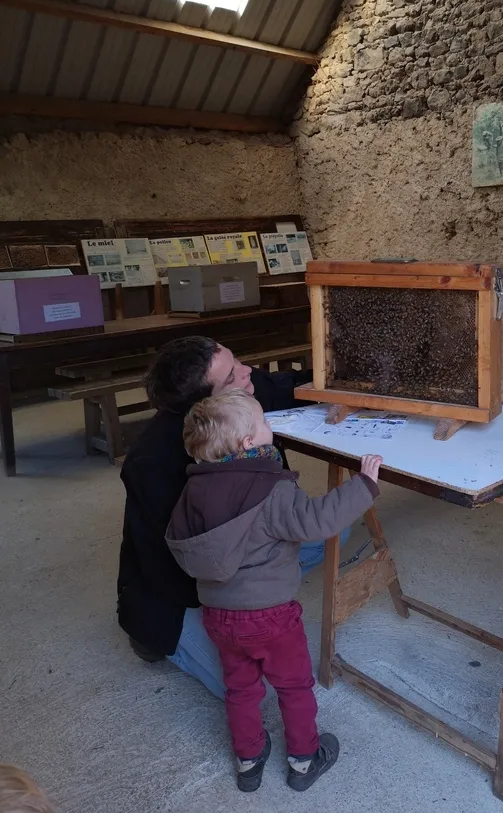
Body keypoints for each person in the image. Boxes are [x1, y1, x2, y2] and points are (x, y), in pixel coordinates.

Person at [165, 388, 382, 792]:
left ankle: (248, 761)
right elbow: (316, 522)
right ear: (249, 442)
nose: (270, 427)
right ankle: (304, 761)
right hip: (271, 617)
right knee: (293, 686)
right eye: (264, 422)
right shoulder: (270, 490)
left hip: (218, 614)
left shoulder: (191, 491)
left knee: (241, 689)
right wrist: (363, 485)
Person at [117, 336, 349, 697]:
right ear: (208, 409)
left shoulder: (242, 394)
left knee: (337, 531)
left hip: (244, 546)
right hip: (184, 589)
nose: (247, 372)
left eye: (237, 361)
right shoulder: (151, 465)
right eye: (231, 377)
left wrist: (337, 384)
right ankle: (156, 641)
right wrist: (246, 608)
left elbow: (291, 385)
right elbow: (167, 566)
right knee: (248, 688)